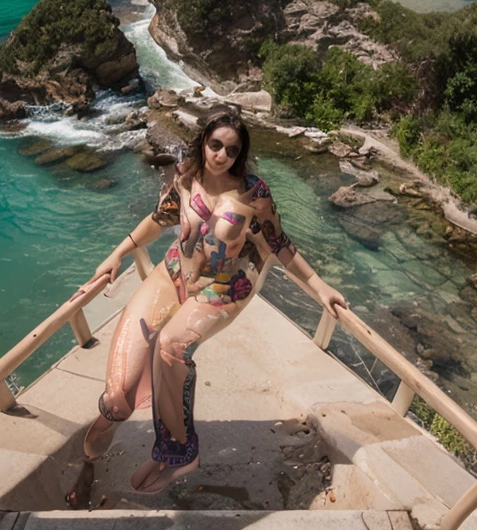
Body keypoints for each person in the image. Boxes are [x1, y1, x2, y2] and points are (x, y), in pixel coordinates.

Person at [65, 110, 347, 506]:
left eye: (232, 150)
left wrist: (320, 287)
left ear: (240, 154)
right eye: (216, 145)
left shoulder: (253, 193)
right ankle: (89, 456)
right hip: (173, 274)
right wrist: (116, 255)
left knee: (171, 345)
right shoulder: (184, 177)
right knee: (117, 399)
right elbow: (157, 220)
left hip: (222, 286)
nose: (222, 155)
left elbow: (278, 243)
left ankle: (179, 452)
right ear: (203, 142)